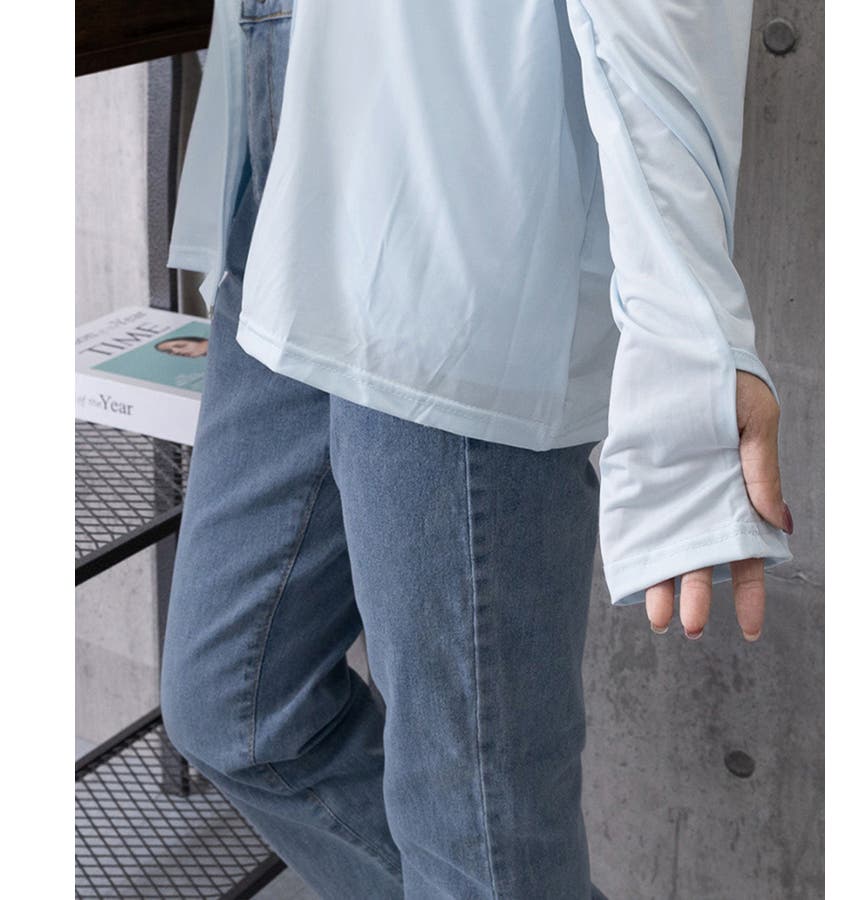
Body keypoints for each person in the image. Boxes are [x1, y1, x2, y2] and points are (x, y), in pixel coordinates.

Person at [160, 1, 794, 897]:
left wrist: (694, 334)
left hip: (448, 228)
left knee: (475, 838)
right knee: (237, 712)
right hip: (282, 192)